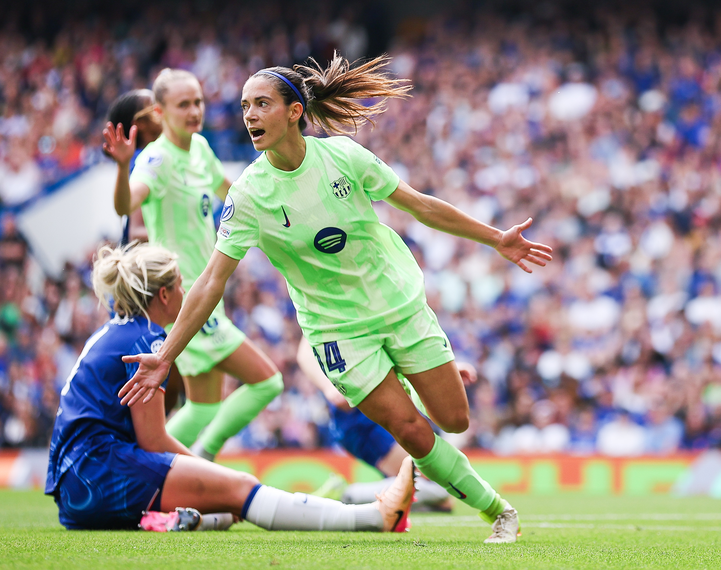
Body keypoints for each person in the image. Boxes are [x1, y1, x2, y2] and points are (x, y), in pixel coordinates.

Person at [118, 54, 554, 543]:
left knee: (454, 419)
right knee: (411, 430)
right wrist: (164, 356)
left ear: (294, 112)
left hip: (398, 304)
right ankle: (499, 511)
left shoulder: (344, 157)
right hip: (337, 333)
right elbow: (210, 282)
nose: (249, 115)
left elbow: (421, 205)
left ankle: (416, 383)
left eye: (262, 104)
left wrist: (497, 239)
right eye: (244, 106)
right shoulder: (249, 195)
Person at [44, 242, 415, 532]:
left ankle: (178, 521)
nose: (187, 290)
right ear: (164, 296)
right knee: (239, 487)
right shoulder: (149, 341)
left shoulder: (117, 332)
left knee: (226, 498)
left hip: (78, 487)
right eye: (181, 283)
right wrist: (213, 474)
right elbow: (153, 442)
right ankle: (374, 516)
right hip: (98, 474)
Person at [103, 69, 283, 461]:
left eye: (198, 102)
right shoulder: (155, 158)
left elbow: (232, 193)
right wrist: (121, 166)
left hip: (207, 295)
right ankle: (201, 460)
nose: (194, 110)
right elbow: (124, 205)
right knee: (268, 381)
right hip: (184, 298)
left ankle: (152, 471)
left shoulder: (200, 148)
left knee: (202, 407)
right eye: (183, 104)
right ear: (160, 111)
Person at [298, 337, 453, 511]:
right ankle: (346, 495)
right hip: (360, 417)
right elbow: (305, 351)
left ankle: (354, 495)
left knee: (433, 494)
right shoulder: (331, 311)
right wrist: (329, 388)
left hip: (383, 406)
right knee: (438, 491)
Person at [102, 89, 162, 245]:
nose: (162, 108)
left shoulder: (162, 153)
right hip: (147, 264)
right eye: (154, 106)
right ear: (139, 124)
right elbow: (136, 231)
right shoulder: (144, 162)